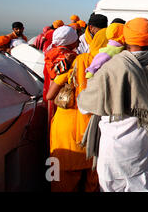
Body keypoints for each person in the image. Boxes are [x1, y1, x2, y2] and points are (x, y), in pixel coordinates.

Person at [77, 18, 148, 192]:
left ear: (125, 36)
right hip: (145, 139)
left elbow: (84, 106)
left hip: (117, 144)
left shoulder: (113, 67)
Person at [46, 25, 108, 192]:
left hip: (65, 128)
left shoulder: (74, 61)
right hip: (93, 129)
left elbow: (49, 95)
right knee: (93, 178)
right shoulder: (111, 65)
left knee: (62, 181)